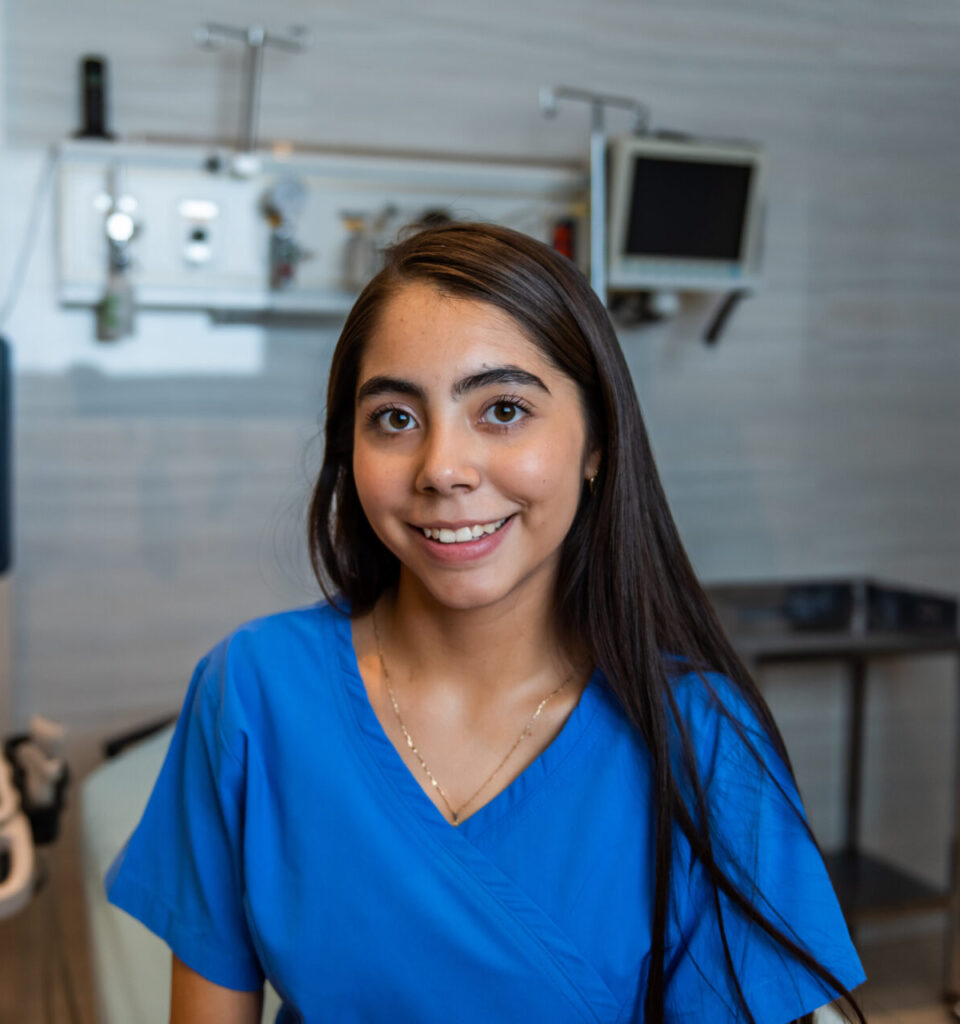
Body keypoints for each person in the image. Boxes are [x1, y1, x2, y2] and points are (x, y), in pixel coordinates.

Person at [105, 222, 866, 1023]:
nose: (442, 470)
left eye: (503, 409)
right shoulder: (254, 694)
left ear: (597, 442)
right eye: (395, 418)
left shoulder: (703, 745)